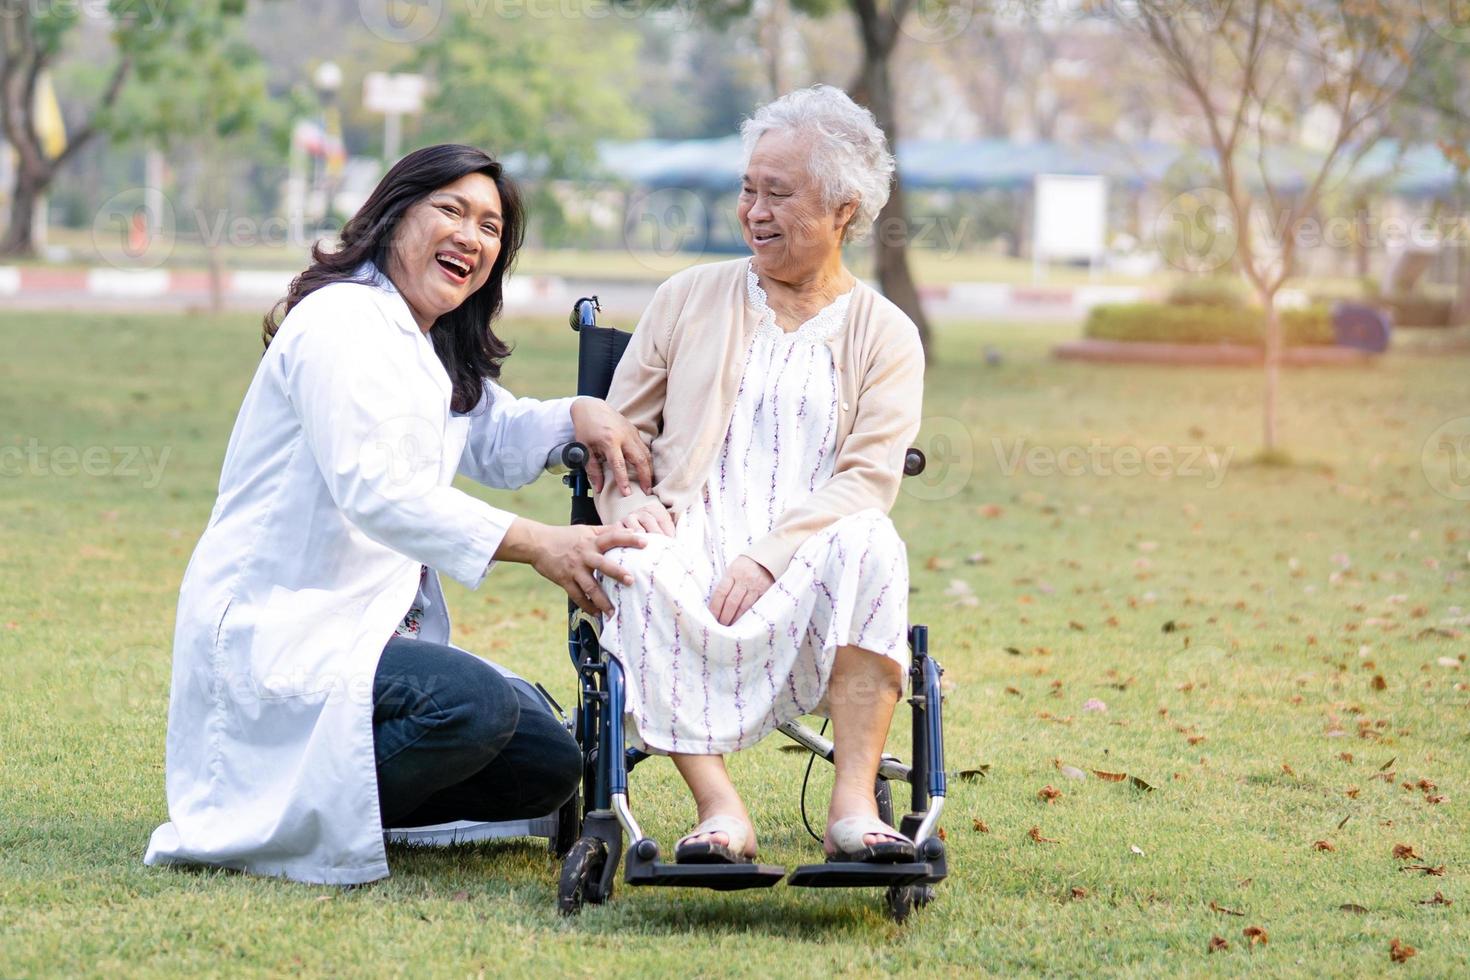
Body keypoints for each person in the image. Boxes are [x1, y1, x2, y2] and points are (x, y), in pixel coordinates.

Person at [145, 144, 651, 885]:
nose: (473, 237)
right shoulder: (341, 323)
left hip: (364, 637)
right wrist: (541, 543)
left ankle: (327, 802)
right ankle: (270, 816)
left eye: (490, 227)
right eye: (451, 210)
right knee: (472, 706)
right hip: (283, 629)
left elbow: (497, 433)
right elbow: (374, 488)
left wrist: (581, 415)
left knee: (549, 762)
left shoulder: (425, 344)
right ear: (392, 216)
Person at [595, 87, 925, 865]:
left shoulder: (886, 334)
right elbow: (617, 438)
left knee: (874, 544)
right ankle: (719, 812)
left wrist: (768, 553)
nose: (755, 210)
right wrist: (631, 504)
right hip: (691, 532)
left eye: (780, 194)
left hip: (807, 552)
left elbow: (869, 480)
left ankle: (852, 808)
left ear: (844, 208)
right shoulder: (688, 297)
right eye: (749, 189)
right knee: (634, 563)